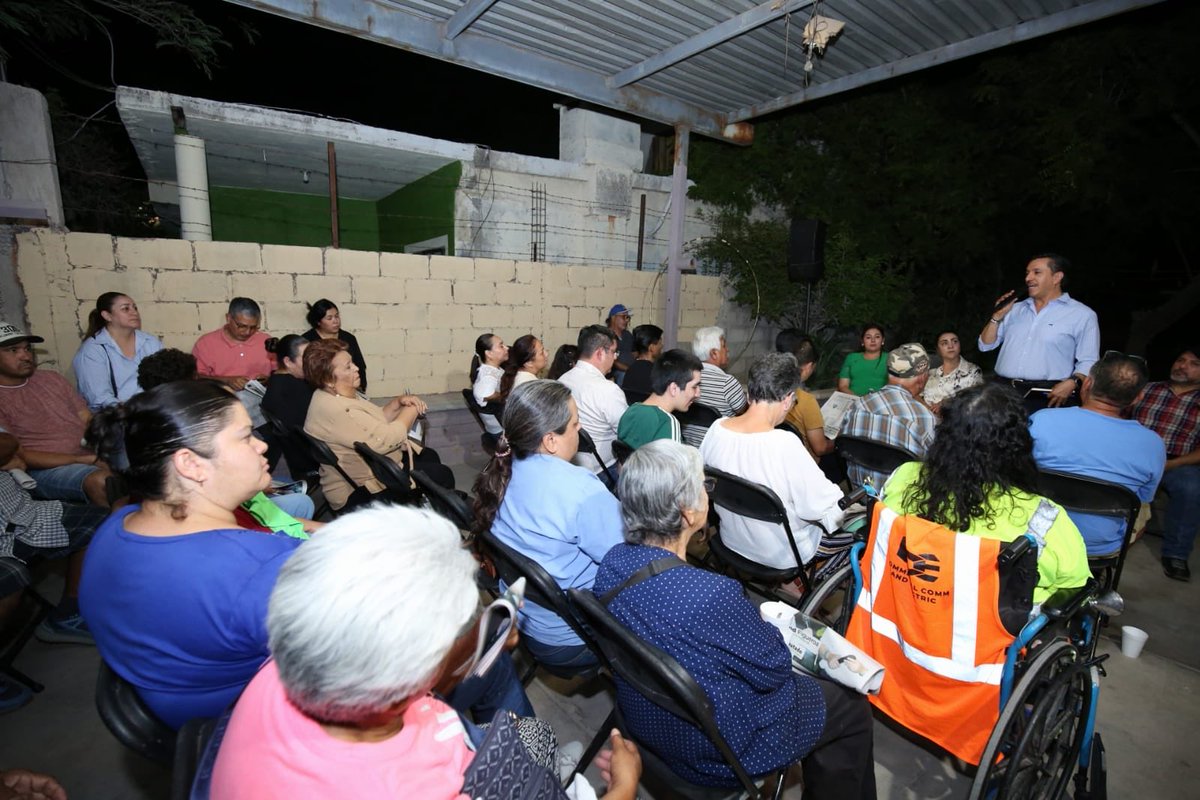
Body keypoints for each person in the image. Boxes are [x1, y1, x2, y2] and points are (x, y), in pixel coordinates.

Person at [210, 504, 639, 800]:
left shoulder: (295, 657)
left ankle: (539, 762)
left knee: (494, 670)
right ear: (414, 680)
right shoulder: (414, 787)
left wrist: (473, 648)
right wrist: (622, 787)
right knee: (523, 718)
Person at [594, 441, 876, 797]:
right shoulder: (710, 594)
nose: (706, 494)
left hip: (646, 719)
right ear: (687, 513)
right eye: (703, 485)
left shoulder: (612, 564)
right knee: (850, 707)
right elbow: (774, 669)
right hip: (714, 754)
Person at [79, 380, 306, 728]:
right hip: (246, 726)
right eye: (245, 436)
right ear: (191, 464)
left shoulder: (118, 526)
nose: (262, 445)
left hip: (173, 712)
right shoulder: (259, 568)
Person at [882, 383, 1091, 604]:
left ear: (944, 435)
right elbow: (1075, 588)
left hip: (904, 612)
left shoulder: (903, 477)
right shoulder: (1044, 519)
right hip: (988, 633)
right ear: (1018, 445)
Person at [472, 380, 623, 671]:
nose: (580, 429)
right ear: (551, 440)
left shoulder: (502, 470)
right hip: (573, 637)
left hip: (530, 620)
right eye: (576, 423)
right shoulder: (581, 490)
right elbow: (628, 562)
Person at [133, 346, 317, 528]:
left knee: (297, 501)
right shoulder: (197, 428)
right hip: (231, 512)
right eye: (244, 437)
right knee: (300, 504)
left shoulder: (143, 426)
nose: (260, 446)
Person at [700, 353, 847, 571]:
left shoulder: (717, 429)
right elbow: (826, 508)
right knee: (858, 533)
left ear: (749, 394)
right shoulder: (785, 444)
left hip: (732, 540)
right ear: (787, 399)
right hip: (783, 555)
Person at [0, 430, 107, 704]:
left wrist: (9, 453)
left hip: (23, 512)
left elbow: (9, 443)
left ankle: (67, 613)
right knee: (11, 577)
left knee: (106, 523)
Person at [1031, 352, 1165, 557]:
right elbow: (1143, 497)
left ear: (1087, 384)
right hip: (1098, 547)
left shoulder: (1042, 420)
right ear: (1138, 398)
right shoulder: (1153, 444)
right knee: (1143, 510)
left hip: (1033, 536)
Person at [303, 339, 453, 513]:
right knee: (442, 474)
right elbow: (386, 439)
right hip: (357, 490)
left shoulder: (328, 394)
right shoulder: (339, 409)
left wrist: (397, 403)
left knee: (429, 456)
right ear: (328, 379)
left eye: (352, 362)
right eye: (348, 367)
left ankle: (422, 508)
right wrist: (410, 411)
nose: (356, 368)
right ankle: (436, 525)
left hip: (360, 473)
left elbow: (370, 423)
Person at [0, 322, 111, 508]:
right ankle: (122, 533)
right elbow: (20, 454)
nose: (25, 355)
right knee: (103, 482)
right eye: (13, 350)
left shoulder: (51, 378)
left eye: (27, 348)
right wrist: (83, 459)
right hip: (46, 469)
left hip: (90, 453)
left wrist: (108, 437)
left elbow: (86, 417)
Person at [979, 253, 1100, 412]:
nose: (1028, 278)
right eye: (1027, 273)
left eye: (1036, 272)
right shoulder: (1015, 309)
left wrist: (1073, 382)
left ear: (1056, 277)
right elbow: (985, 345)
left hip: (1047, 395)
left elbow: (1089, 359)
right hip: (1002, 391)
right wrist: (996, 316)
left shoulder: (1082, 315)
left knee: (1039, 436)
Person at [1132, 346, 1200, 581]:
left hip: (1176, 463)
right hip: (1135, 454)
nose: (1183, 366)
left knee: (1191, 488)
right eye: (1180, 359)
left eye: (1193, 364)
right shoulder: (1148, 389)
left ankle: (1176, 555)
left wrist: (1171, 465)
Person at [840, 343, 937, 490]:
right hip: (903, 504)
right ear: (922, 378)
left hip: (863, 495)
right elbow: (939, 467)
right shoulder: (924, 418)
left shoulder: (857, 406)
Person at [71, 292, 163, 411]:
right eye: (125, 309)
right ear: (107, 316)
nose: (134, 312)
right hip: (115, 418)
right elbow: (100, 398)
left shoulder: (150, 342)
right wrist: (133, 413)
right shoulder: (92, 351)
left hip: (150, 413)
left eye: (135, 307)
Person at [557, 325, 626, 479]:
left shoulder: (562, 380)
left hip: (568, 464)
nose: (615, 358)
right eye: (614, 352)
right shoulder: (608, 390)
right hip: (603, 469)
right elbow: (627, 431)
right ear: (600, 353)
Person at [616, 349, 702, 449]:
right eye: (694, 387)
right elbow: (674, 464)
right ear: (674, 388)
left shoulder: (630, 411)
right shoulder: (667, 422)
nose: (698, 394)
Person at [261, 335, 317, 477]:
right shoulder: (295, 388)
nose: (312, 362)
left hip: (302, 454)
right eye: (306, 358)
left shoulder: (276, 380)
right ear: (288, 362)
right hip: (313, 455)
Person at [192, 297, 275, 390]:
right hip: (223, 399)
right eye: (242, 326)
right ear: (228, 318)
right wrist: (226, 381)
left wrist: (269, 380)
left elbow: (281, 372)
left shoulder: (265, 340)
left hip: (261, 399)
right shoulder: (205, 344)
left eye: (253, 327)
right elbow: (196, 377)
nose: (247, 332)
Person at [686, 326, 747, 446]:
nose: (727, 350)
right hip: (718, 450)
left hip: (689, 446)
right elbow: (745, 413)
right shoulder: (727, 383)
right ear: (714, 353)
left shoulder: (685, 378)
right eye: (724, 346)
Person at [776, 329, 833, 459]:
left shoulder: (768, 390)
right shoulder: (806, 401)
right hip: (802, 464)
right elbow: (820, 448)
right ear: (808, 367)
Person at [302, 298, 368, 392]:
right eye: (329, 318)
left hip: (349, 390)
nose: (335, 321)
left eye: (337, 316)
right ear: (318, 322)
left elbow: (360, 366)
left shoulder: (348, 338)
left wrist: (361, 388)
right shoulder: (308, 341)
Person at [922, 330, 983, 411]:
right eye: (945, 343)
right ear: (938, 350)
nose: (950, 346)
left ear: (959, 345)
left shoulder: (973, 371)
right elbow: (915, 396)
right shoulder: (930, 374)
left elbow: (976, 400)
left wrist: (946, 404)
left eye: (954, 341)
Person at [470, 333, 508, 443]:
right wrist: (507, 396)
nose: (506, 348)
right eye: (501, 346)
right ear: (489, 354)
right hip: (500, 432)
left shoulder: (495, 370)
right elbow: (483, 394)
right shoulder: (488, 375)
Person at [837, 324, 888, 396]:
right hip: (854, 401)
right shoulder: (851, 358)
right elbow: (843, 386)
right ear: (862, 341)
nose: (873, 340)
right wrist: (858, 400)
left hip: (881, 402)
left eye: (877, 337)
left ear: (883, 340)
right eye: (868, 337)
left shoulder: (890, 359)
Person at [498, 334, 548, 402]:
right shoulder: (530, 386)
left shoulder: (518, 376)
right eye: (541, 353)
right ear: (528, 363)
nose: (546, 354)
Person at [621, 324, 662, 398]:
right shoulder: (656, 373)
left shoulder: (631, 369)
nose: (661, 346)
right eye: (659, 343)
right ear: (651, 348)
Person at [606, 304, 634, 384]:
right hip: (614, 372)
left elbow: (634, 353)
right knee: (623, 375)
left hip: (629, 369)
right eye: (623, 317)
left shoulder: (627, 335)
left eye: (627, 318)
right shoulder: (606, 336)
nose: (626, 320)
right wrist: (628, 369)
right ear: (613, 318)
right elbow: (612, 361)